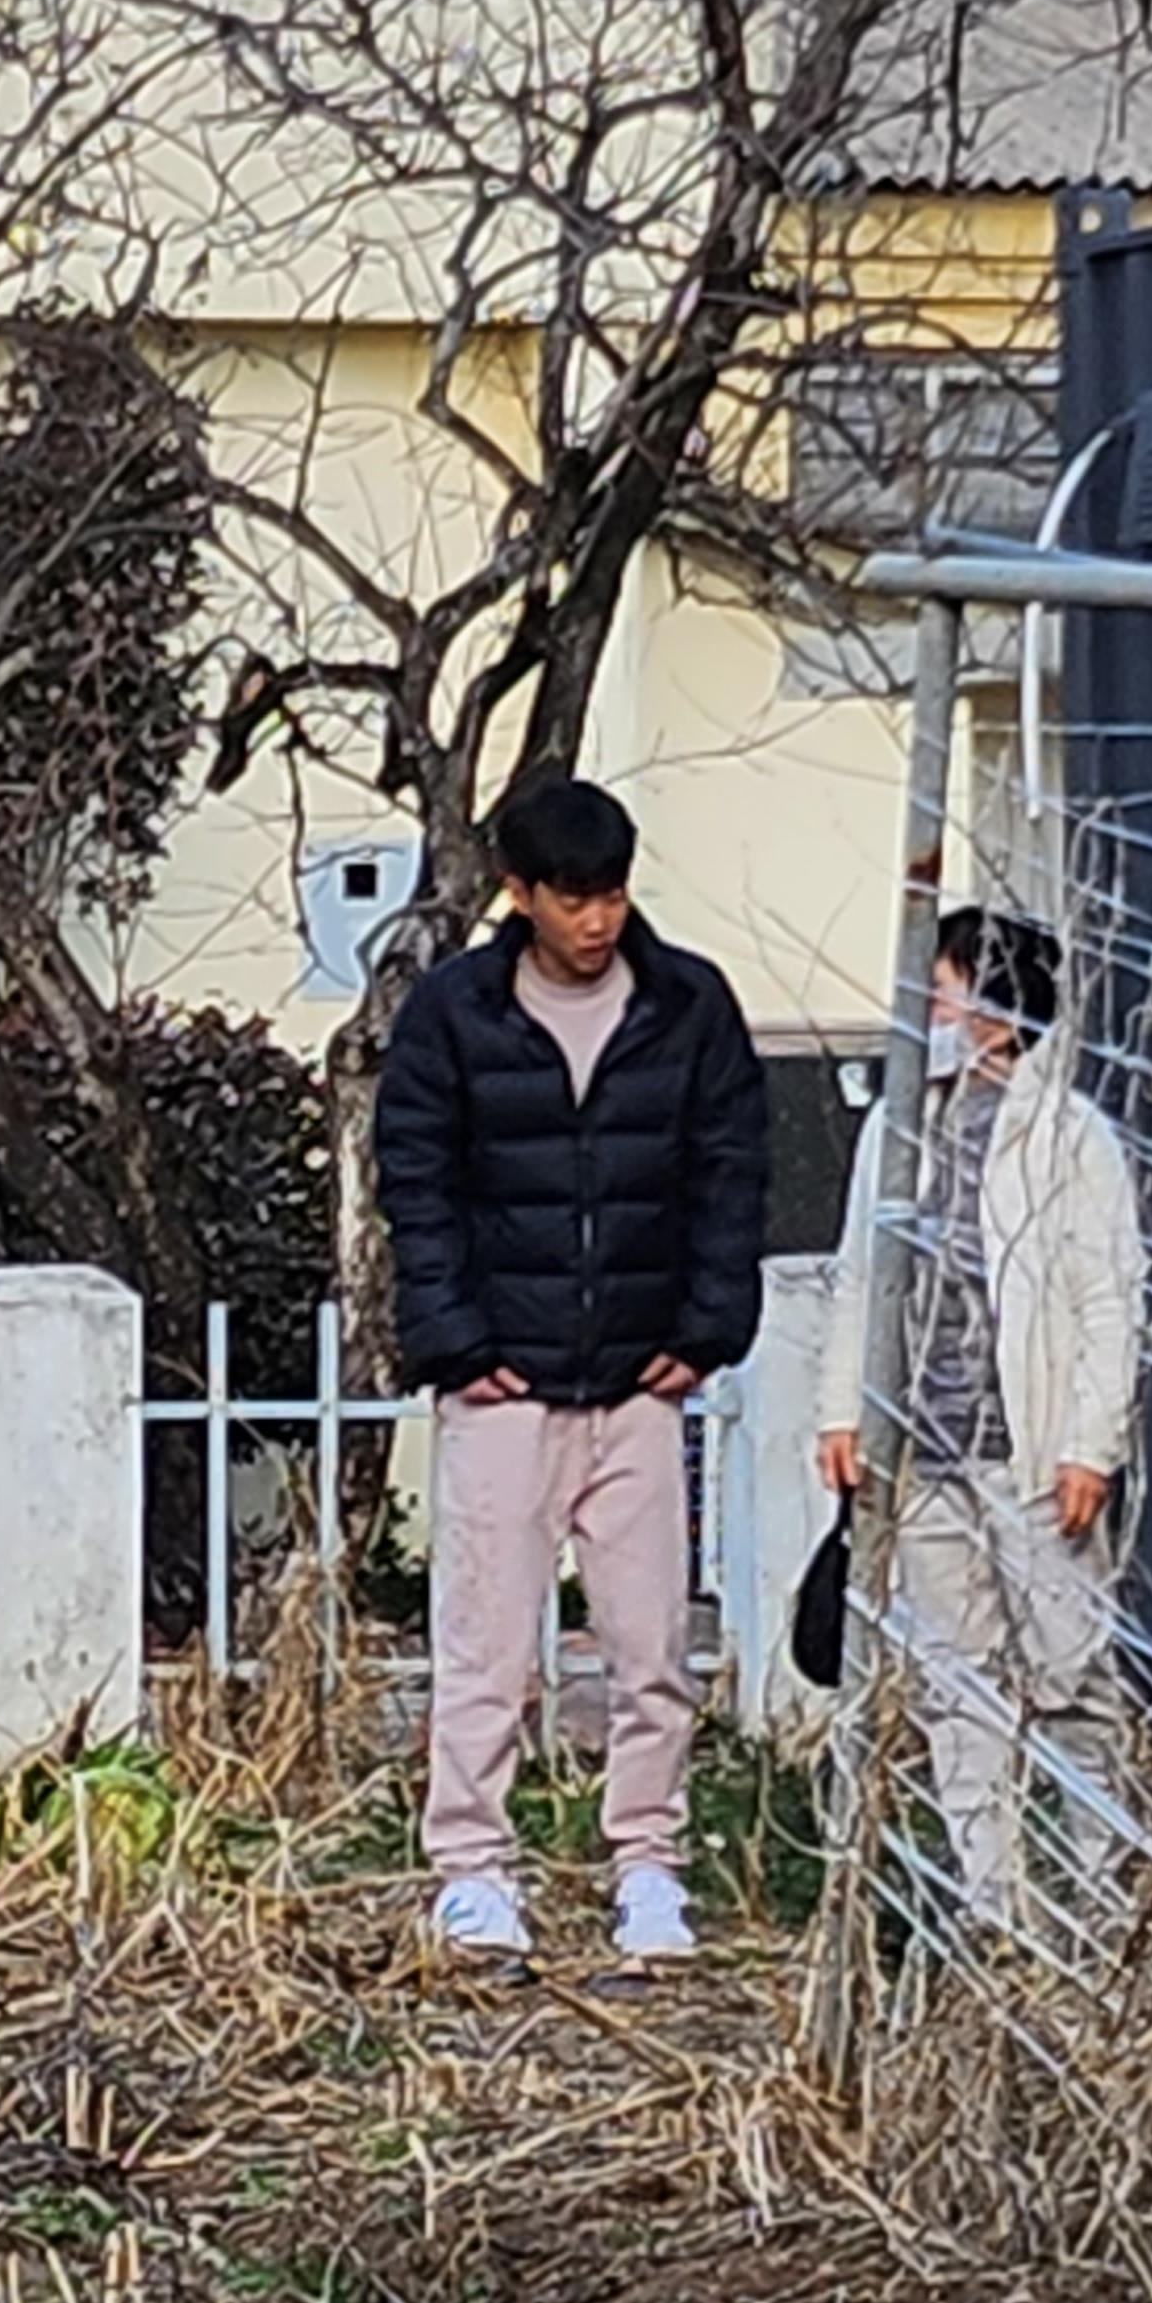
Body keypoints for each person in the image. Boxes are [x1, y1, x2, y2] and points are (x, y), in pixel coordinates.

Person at [376, 773, 770, 1967]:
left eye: (612, 895)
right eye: (573, 897)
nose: (598, 920)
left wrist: (707, 1329)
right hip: (503, 1386)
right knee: (485, 1648)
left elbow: (732, 1171)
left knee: (654, 1649)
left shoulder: (689, 1003)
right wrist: (456, 1341)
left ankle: (649, 1865)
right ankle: (472, 1871)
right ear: (520, 892)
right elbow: (415, 1181)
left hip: (642, 1382)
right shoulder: (453, 1011)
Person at [816, 906, 1146, 1937]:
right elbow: (861, 1276)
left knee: (1072, 1673)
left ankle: (1107, 1897)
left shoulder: (1072, 1136)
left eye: (948, 989)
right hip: (923, 1453)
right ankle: (991, 1905)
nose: (931, 1009)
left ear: (997, 1006)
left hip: (1031, 1456)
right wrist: (843, 1411)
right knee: (960, 1684)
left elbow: (1111, 1301)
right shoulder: (898, 1125)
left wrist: (1091, 1445)